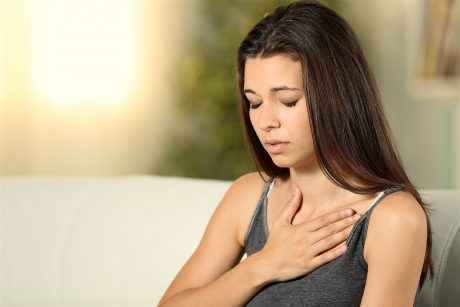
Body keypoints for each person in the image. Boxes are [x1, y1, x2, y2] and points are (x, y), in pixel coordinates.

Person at [158, 1, 432, 306]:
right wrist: (264, 264)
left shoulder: (394, 219)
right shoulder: (248, 197)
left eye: (288, 101)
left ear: (337, 98)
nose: (265, 122)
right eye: (255, 102)